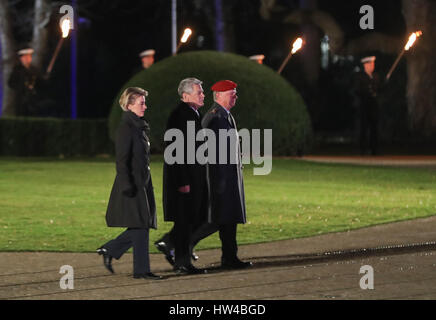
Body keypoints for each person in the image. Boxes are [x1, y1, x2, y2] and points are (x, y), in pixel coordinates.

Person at [97, 87, 162, 280]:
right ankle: (141, 270)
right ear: (129, 105)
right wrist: (128, 185)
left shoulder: (137, 125)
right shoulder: (126, 127)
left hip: (142, 182)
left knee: (141, 224)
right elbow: (122, 160)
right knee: (141, 224)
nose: (145, 106)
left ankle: (110, 249)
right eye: (141, 103)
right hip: (132, 183)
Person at [196, 80, 252, 269]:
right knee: (217, 220)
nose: (235, 96)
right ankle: (175, 245)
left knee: (229, 219)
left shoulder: (225, 115)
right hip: (219, 179)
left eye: (235, 93)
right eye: (231, 93)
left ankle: (229, 257)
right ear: (218, 96)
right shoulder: (213, 117)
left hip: (228, 178)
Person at [160, 78, 209, 275]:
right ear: (185, 95)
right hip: (184, 180)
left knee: (193, 218)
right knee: (184, 221)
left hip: (194, 177)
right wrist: (182, 181)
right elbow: (175, 152)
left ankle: (176, 252)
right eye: (199, 92)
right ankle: (182, 261)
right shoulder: (180, 116)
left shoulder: (193, 114)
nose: (203, 94)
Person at [353, 56, 381, 155]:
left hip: (373, 106)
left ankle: (374, 149)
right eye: (370, 64)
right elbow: (357, 90)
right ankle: (362, 149)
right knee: (363, 127)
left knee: (374, 127)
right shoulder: (360, 77)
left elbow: (379, 89)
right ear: (366, 65)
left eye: (373, 64)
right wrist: (367, 93)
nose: (372, 66)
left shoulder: (376, 76)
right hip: (364, 105)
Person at [8, 48, 45, 116]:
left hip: (33, 99)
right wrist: (22, 87)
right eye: (25, 57)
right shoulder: (17, 70)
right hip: (21, 99)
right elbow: (11, 83)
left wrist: (44, 79)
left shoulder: (34, 69)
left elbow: (40, 83)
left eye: (28, 56)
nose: (27, 58)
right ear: (21, 58)